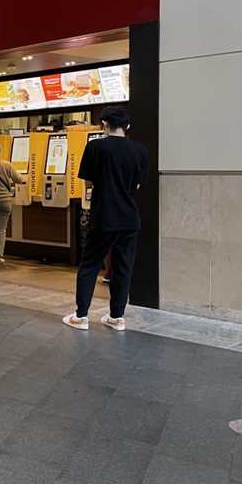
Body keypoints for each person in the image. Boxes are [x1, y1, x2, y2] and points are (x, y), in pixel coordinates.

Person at [63, 107, 149, 332]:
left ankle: (81, 316)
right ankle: (117, 317)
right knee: (123, 267)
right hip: (130, 218)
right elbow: (138, 184)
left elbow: (88, 182)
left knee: (90, 264)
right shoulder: (140, 150)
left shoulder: (95, 147)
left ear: (104, 125)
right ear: (127, 126)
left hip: (104, 216)